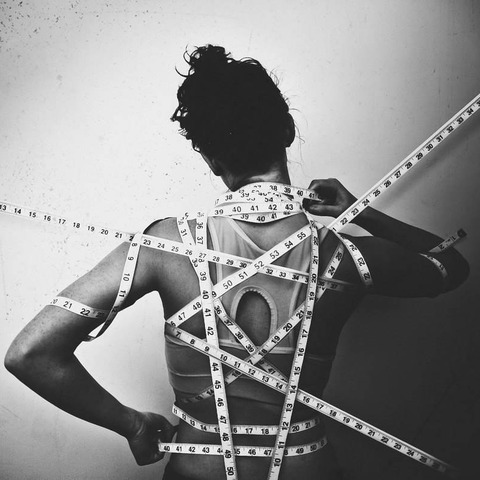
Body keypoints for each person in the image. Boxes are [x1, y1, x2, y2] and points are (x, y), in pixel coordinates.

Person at [4, 45, 469, 480]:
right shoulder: (347, 254)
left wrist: (132, 424)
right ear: (287, 131)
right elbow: (450, 266)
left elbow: (31, 354)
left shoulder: (166, 245)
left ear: (210, 158)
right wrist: (360, 211)